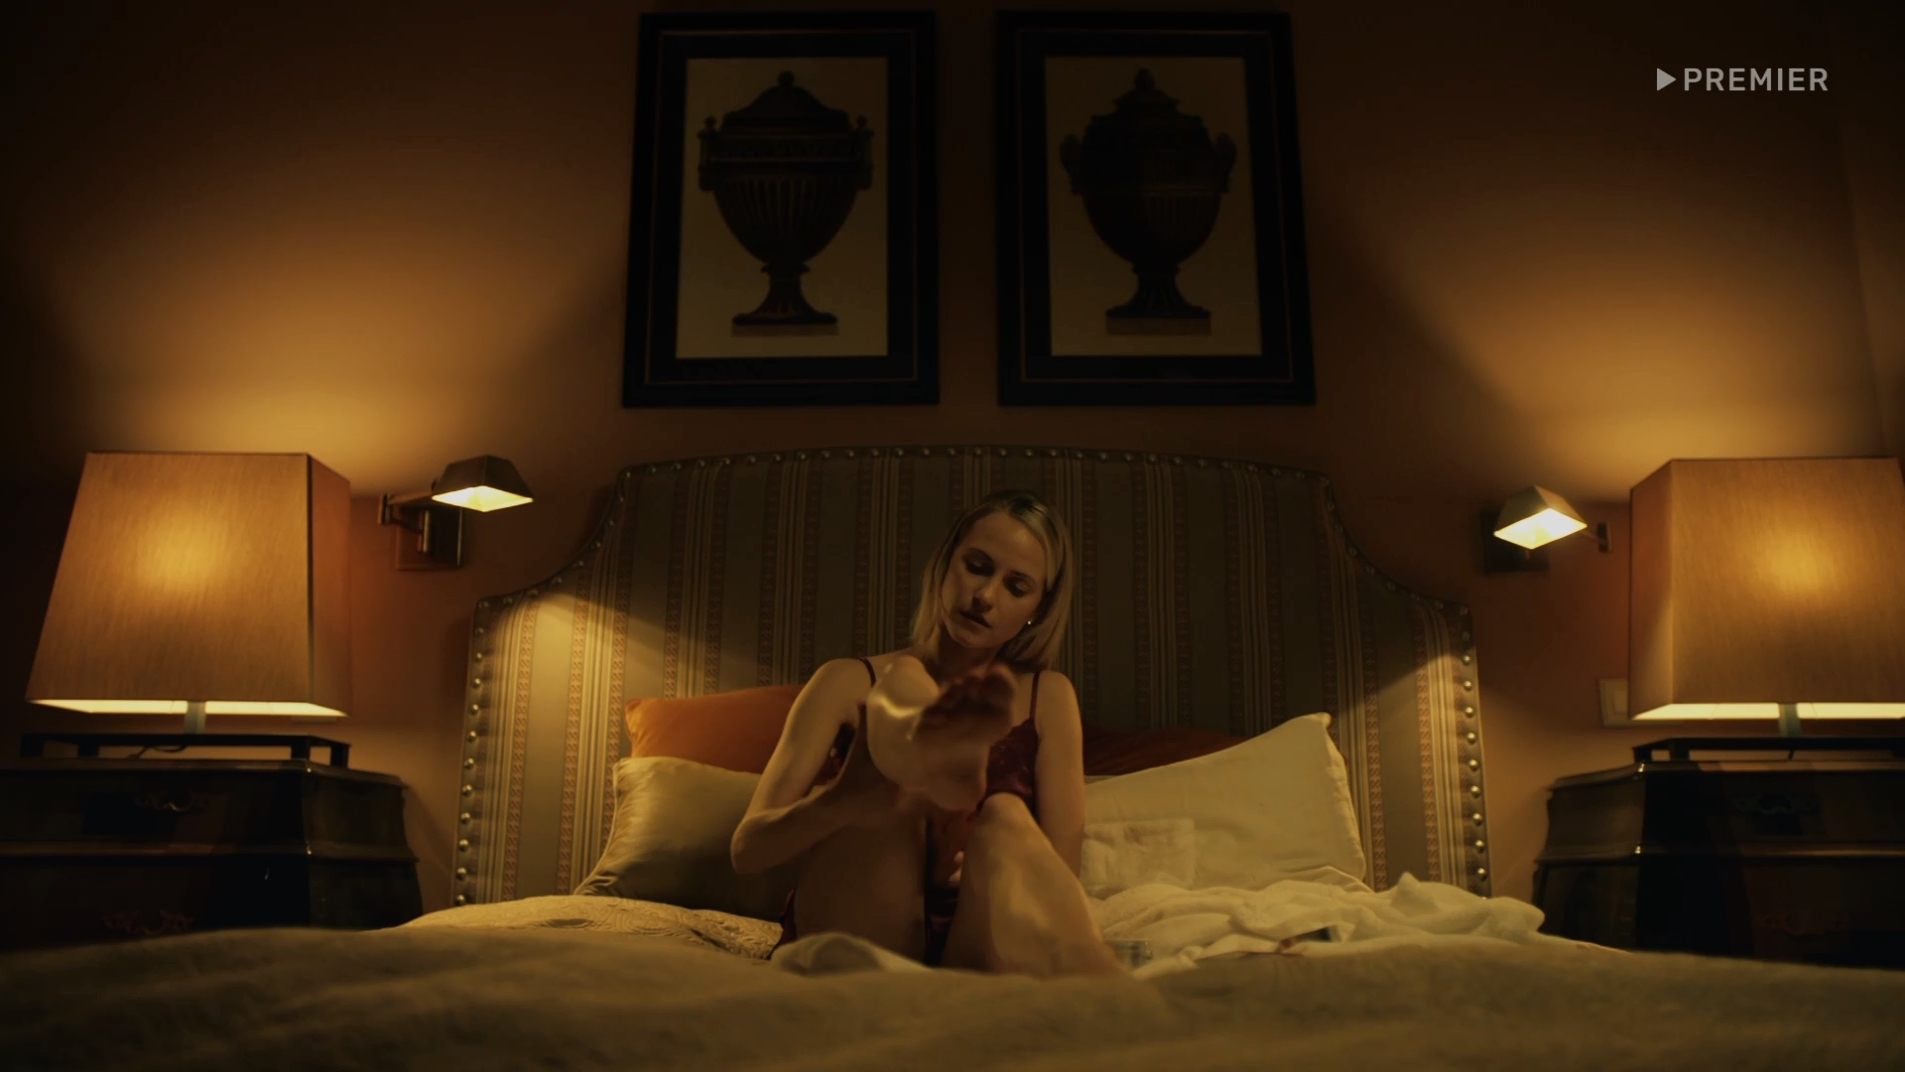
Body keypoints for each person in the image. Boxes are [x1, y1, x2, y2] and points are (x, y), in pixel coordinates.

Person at [730, 489, 1122, 975]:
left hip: (974, 946)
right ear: (945, 563)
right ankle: (906, 732)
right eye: (976, 566)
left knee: (1004, 814)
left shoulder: (1050, 697)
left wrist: (970, 865)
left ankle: (916, 744)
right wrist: (840, 802)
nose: (985, 596)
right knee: (890, 778)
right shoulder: (845, 681)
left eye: (1016, 587)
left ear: (1037, 610)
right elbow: (746, 851)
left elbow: (1061, 874)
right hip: (866, 927)